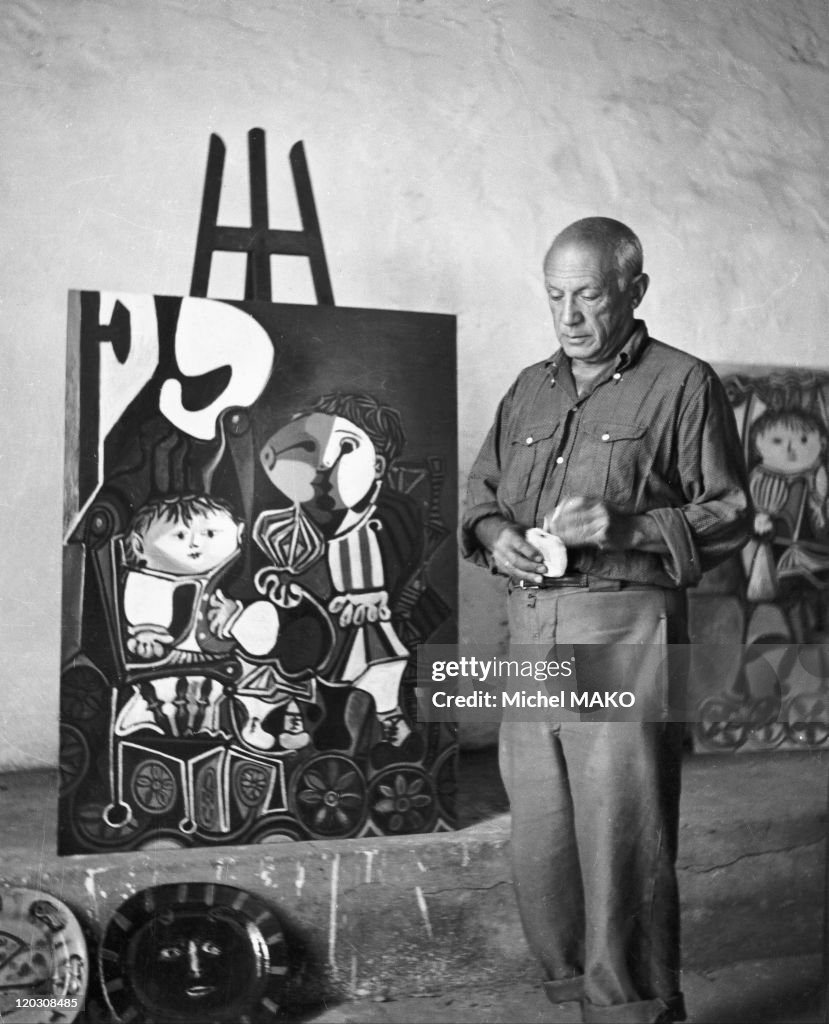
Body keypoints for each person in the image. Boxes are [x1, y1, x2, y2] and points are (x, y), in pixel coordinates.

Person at [461, 217, 750, 1023]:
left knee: (622, 833)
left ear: (634, 291)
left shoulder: (682, 383)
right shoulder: (528, 386)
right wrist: (497, 536)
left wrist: (624, 527)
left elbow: (730, 514)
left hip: (623, 630)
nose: (569, 315)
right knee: (543, 836)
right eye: (554, 295)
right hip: (529, 628)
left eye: (588, 294)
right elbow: (480, 494)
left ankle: (631, 1009)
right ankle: (570, 992)